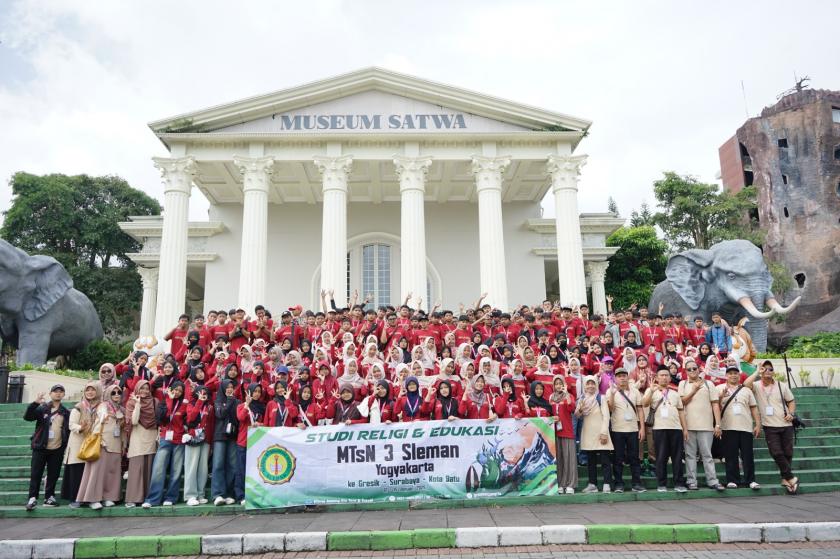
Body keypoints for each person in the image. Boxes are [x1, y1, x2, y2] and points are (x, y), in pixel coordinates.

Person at [744, 360, 799, 494]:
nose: (768, 371)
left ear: (774, 372)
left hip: (786, 424)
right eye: (765, 369)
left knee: (788, 453)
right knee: (776, 452)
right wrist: (757, 372)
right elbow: (746, 384)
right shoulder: (757, 385)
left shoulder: (781, 385)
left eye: (770, 369)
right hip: (769, 425)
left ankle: (785, 479)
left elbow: (791, 401)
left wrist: (791, 413)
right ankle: (791, 477)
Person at [678, 359, 725, 491]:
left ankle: (712, 480)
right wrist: (693, 390)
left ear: (699, 369)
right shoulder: (683, 384)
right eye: (689, 369)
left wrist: (718, 424)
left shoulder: (709, 384)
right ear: (686, 371)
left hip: (706, 425)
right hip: (688, 425)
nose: (692, 371)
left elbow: (715, 404)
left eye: (694, 368)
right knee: (690, 455)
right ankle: (691, 481)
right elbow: (681, 402)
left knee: (707, 455)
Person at [76, 384, 126, 509]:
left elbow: (123, 429)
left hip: (116, 444)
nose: (116, 395)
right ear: (108, 394)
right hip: (102, 442)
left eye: (119, 392)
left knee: (112, 472)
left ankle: (108, 497)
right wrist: (104, 416)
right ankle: (92, 499)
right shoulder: (103, 405)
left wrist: (124, 444)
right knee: (97, 472)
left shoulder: (122, 409)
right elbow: (101, 414)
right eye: (113, 392)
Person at [24, 385, 70, 511]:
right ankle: (32, 498)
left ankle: (49, 497)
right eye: (55, 391)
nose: (58, 394)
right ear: (50, 394)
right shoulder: (42, 408)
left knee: (53, 474)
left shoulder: (65, 412)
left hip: (57, 448)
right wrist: (35, 403)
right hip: (40, 447)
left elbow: (68, 429)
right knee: (36, 473)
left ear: (63, 395)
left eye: (61, 392)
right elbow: (28, 417)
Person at [143, 381, 188, 508]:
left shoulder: (184, 405)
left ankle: (171, 497)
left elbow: (187, 420)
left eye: (180, 391)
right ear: (171, 389)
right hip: (165, 439)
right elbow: (161, 418)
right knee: (158, 469)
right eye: (175, 389)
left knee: (176, 470)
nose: (177, 392)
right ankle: (153, 499)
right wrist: (169, 400)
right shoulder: (164, 402)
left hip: (179, 440)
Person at [642, 368, 688, 492]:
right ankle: (661, 484)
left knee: (677, 457)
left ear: (670, 378)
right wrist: (651, 391)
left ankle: (679, 483)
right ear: (657, 378)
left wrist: (685, 429)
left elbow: (681, 412)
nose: (664, 377)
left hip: (676, 428)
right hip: (659, 428)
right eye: (661, 375)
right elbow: (644, 404)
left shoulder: (675, 393)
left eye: (666, 375)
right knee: (661, 457)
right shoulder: (651, 390)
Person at [717, 366, 762, 489]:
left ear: (739, 375)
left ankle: (750, 480)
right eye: (730, 373)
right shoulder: (719, 388)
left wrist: (758, 424)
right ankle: (732, 480)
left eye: (735, 373)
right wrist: (721, 397)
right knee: (730, 455)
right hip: (728, 426)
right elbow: (715, 408)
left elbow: (753, 407)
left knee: (748, 455)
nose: (733, 375)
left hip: (746, 426)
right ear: (726, 376)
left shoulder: (746, 390)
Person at [607, 368, 646, 493]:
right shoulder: (611, 390)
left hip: (633, 429)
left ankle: (636, 483)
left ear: (628, 377)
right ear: (615, 378)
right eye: (619, 376)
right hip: (617, 429)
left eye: (624, 375)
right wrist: (612, 394)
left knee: (634, 458)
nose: (622, 378)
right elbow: (610, 408)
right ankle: (619, 484)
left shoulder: (635, 391)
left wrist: (642, 428)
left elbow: (640, 409)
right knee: (618, 458)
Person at [63, 382, 101, 508]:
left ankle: (88, 498)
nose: (90, 392)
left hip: (92, 443)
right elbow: (71, 424)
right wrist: (81, 427)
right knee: (77, 471)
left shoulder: (100, 407)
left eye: (93, 390)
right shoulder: (79, 407)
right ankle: (75, 499)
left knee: (89, 472)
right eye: (87, 390)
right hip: (78, 442)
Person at [576, 375, 613, 493]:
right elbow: (577, 415)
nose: (590, 386)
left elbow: (606, 416)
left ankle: (607, 483)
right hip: (588, 433)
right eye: (588, 383)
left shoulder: (601, 398)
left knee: (605, 460)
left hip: (601, 432)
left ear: (596, 384)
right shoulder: (582, 399)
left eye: (593, 383)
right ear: (584, 386)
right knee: (591, 461)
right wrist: (580, 409)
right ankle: (592, 484)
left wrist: (604, 432)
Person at [124, 380, 158, 507]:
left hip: (151, 437)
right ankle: (133, 498)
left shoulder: (154, 401)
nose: (144, 391)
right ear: (137, 389)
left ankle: (146, 498)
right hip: (137, 438)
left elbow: (158, 421)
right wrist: (137, 404)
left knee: (148, 469)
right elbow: (133, 421)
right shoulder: (131, 402)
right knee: (136, 468)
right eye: (142, 388)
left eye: (146, 388)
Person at [235, 383, 265, 505]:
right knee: (241, 470)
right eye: (255, 391)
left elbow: (266, 423)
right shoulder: (241, 405)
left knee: (255, 471)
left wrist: (259, 424)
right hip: (243, 442)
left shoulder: (261, 407)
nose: (257, 394)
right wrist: (247, 404)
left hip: (256, 443)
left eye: (259, 391)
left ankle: (253, 494)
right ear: (249, 392)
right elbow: (241, 418)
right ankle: (240, 495)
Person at [184, 386, 214, 506]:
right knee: (192, 467)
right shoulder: (191, 404)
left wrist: (210, 442)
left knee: (203, 468)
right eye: (201, 392)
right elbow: (191, 418)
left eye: (205, 393)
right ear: (196, 393)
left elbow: (211, 424)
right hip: (193, 438)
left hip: (206, 439)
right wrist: (199, 402)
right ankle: (190, 495)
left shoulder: (210, 407)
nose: (203, 394)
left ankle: (200, 494)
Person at [211, 380, 240, 506]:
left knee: (232, 465)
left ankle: (228, 493)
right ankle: (218, 494)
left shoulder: (237, 401)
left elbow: (238, 419)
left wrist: (233, 401)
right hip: (219, 436)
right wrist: (229, 401)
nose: (229, 389)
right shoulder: (218, 401)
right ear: (223, 388)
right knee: (218, 464)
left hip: (232, 436)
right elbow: (220, 414)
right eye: (227, 387)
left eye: (231, 387)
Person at [549, 376, 577, 493]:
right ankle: (560, 483)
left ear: (564, 384)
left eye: (560, 383)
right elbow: (548, 413)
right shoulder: (551, 397)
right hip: (555, 432)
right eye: (556, 384)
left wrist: (567, 395)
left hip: (567, 431)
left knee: (569, 459)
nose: (558, 386)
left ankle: (570, 484)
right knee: (559, 459)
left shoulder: (568, 396)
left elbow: (572, 408)